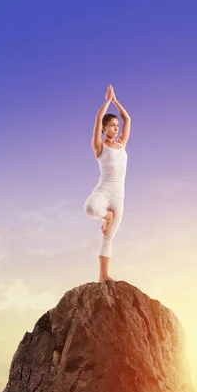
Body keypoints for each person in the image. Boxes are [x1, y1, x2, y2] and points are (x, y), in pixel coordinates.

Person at [83, 84, 131, 282]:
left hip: (119, 196)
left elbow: (127, 119)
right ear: (104, 128)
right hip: (103, 192)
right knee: (90, 209)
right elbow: (97, 118)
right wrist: (107, 101)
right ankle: (106, 216)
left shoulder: (121, 144)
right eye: (112, 125)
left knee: (108, 238)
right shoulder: (99, 147)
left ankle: (103, 276)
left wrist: (116, 100)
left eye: (116, 126)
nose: (116, 128)